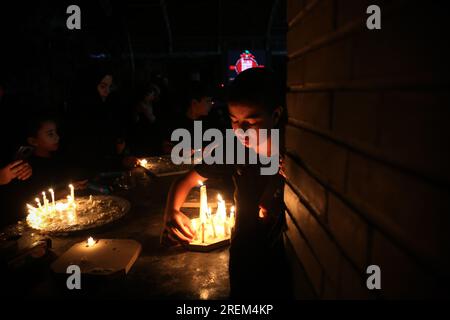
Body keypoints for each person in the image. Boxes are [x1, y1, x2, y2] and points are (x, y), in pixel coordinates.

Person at [161, 68, 292, 299]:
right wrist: (171, 212)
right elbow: (186, 180)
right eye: (234, 120)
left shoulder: (291, 152)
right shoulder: (234, 148)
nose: (240, 131)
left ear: (276, 115)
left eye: (250, 121)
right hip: (242, 251)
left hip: (281, 262)